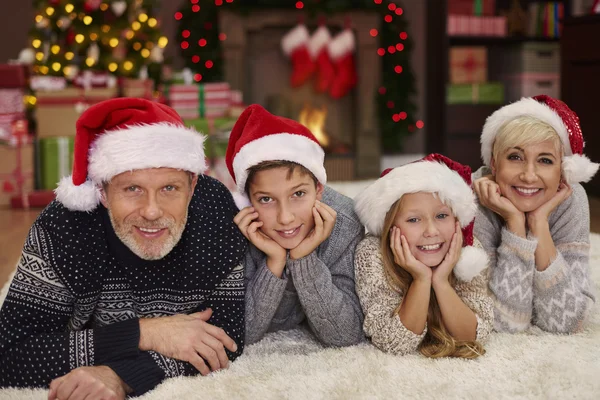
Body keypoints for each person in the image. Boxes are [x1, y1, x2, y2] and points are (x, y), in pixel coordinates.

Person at [0, 98, 247, 399]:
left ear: (193, 185)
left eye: (170, 188)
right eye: (132, 189)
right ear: (102, 191)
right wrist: (146, 333)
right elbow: (10, 354)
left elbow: (225, 339)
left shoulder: (217, 215)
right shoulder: (64, 227)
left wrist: (120, 376)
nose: (152, 211)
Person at [226, 104, 364, 347]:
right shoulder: (240, 228)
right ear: (249, 200)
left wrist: (303, 258)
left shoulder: (345, 224)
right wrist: (274, 263)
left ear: (319, 189)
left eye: (298, 194)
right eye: (266, 199)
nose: (286, 217)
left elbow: (345, 335)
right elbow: (241, 333)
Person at [474, 95, 599, 334]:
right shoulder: (475, 201)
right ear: (494, 163)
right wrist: (515, 225)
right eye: (515, 157)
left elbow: (569, 323)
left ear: (563, 171)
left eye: (545, 160)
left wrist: (538, 224)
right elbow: (504, 323)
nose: (529, 175)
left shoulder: (572, 199)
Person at [353, 154, 493, 358]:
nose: (431, 231)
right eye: (413, 219)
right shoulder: (373, 254)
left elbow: (474, 336)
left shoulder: (468, 252)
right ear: (390, 226)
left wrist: (441, 281)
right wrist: (421, 279)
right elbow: (393, 343)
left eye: (442, 216)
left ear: (456, 220)